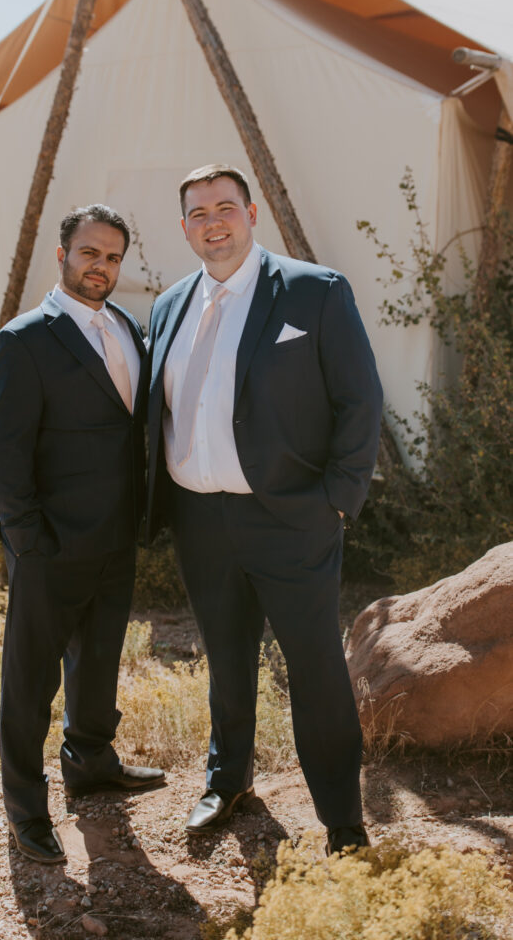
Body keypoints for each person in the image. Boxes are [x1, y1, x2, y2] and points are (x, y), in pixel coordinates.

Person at [146, 165, 383, 853]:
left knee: (314, 667)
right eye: (197, 212)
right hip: (199, 518)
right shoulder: (169, 306)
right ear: (183, 226)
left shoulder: (314, 291)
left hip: (291, 518)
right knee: (225, 660)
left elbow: (359, 401)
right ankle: (228, 782)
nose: (213, 221)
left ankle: (342, 819)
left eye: (225, 207)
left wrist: (336, 502)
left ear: (251, 213)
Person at [0, 204, 164, 865]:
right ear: (62, 254)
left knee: (97, 668)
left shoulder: (124, 327)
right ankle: (25, 810)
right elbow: (4, 452)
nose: (102, 267)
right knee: (30, 684)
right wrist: (28, 540)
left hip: (115, 539)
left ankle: (91, 764)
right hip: (51, 545)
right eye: (90, 252)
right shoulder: (24, 339)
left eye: (113, 256)